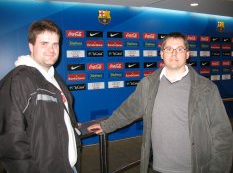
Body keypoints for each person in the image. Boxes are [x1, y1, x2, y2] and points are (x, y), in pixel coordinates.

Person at [88, 32, 233, 173]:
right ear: (162, 54)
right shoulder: (148, 84)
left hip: (195, 167)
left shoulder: (206, 88)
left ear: (187, 54)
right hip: (158, 167)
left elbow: (222, 134)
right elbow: (128, 111)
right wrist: (106, 126)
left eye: (180, 49)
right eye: (168, 49)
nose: (174, 53)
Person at [0, 19, 81, 173]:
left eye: (55, 44)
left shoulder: (54, 78)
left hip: (67, 167)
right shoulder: (18, 80)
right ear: (31, 46)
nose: (51, 49)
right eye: (44, 43)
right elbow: (11, 143)